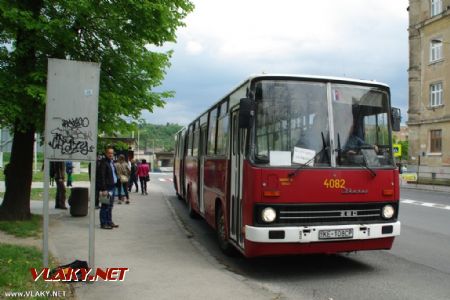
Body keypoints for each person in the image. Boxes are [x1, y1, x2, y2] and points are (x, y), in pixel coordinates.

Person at [97, 147, 119, 229]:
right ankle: (103, 223)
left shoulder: (111, 162)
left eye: (112, 153)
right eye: (109, 153)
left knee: (110, 206)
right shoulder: (103, 163)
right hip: (107, 188)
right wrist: (103, 189)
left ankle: (109, 221)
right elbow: (101, 177)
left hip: (112, 186)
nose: (111, 154)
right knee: (105, 206)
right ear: (106, 153)